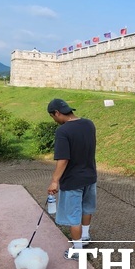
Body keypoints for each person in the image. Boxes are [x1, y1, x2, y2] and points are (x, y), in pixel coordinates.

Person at [46, 98, 97, 260]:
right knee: (86, 208)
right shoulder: (89, 124)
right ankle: (86, 236)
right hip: (90, 176)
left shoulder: (63, 131)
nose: (55, 121)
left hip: (73, 180)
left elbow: (63, 159)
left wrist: (55, 180)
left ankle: (78, 250)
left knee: (73, 215)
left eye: (53, 117)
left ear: (57, 113)